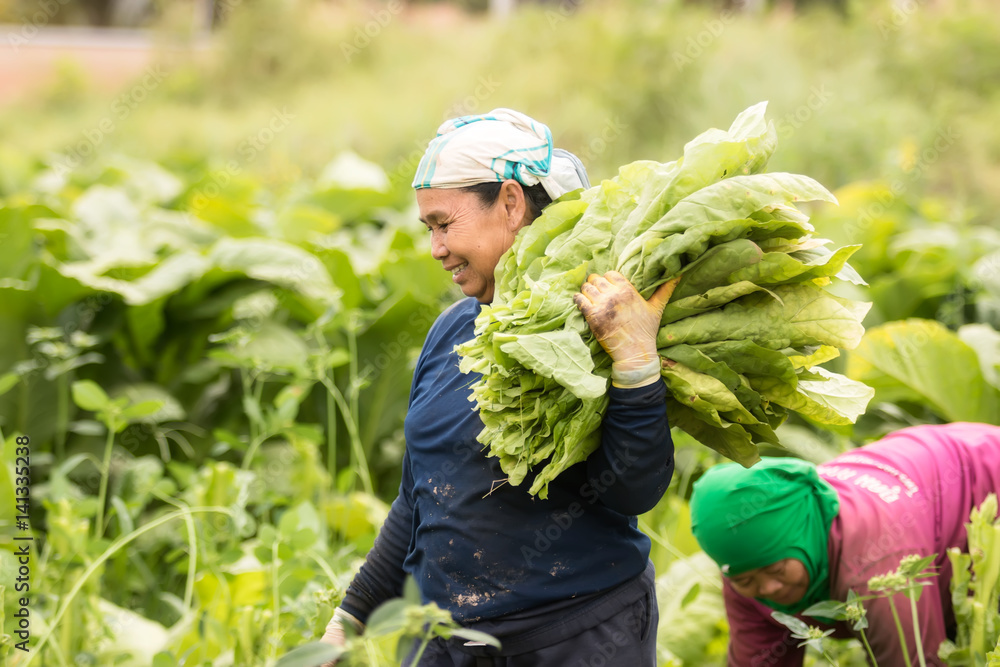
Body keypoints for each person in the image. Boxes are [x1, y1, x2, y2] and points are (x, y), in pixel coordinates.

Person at [318, 109, 678, 666]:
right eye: (429, 229)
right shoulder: (453, 331)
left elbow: (634, 490)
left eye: (444, 224)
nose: (435, 248)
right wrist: (350, 618)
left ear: (510, 204)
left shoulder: (596, 328)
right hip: (446, 645)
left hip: (574, 641)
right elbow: (423, 494)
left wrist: (634, 365)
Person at [689, 422, 1000, 667]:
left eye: (777, 569)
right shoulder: (747, 568)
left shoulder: (876, 566)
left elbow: (915, 659)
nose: (767, 588)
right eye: (745, 580)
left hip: (984, 471)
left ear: (804, 535)